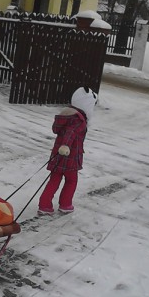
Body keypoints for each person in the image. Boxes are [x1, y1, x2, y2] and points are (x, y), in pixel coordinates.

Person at [38, 86, 98, 214]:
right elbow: (70, 133)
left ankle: (44, 205)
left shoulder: (66, 116)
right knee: (71, 181)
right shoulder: (78, 120)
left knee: (54, 179)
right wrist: (65, 146)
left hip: (58, 155)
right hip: (69, 157)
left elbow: (60, 131)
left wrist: (62, 147)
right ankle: (65, 204)